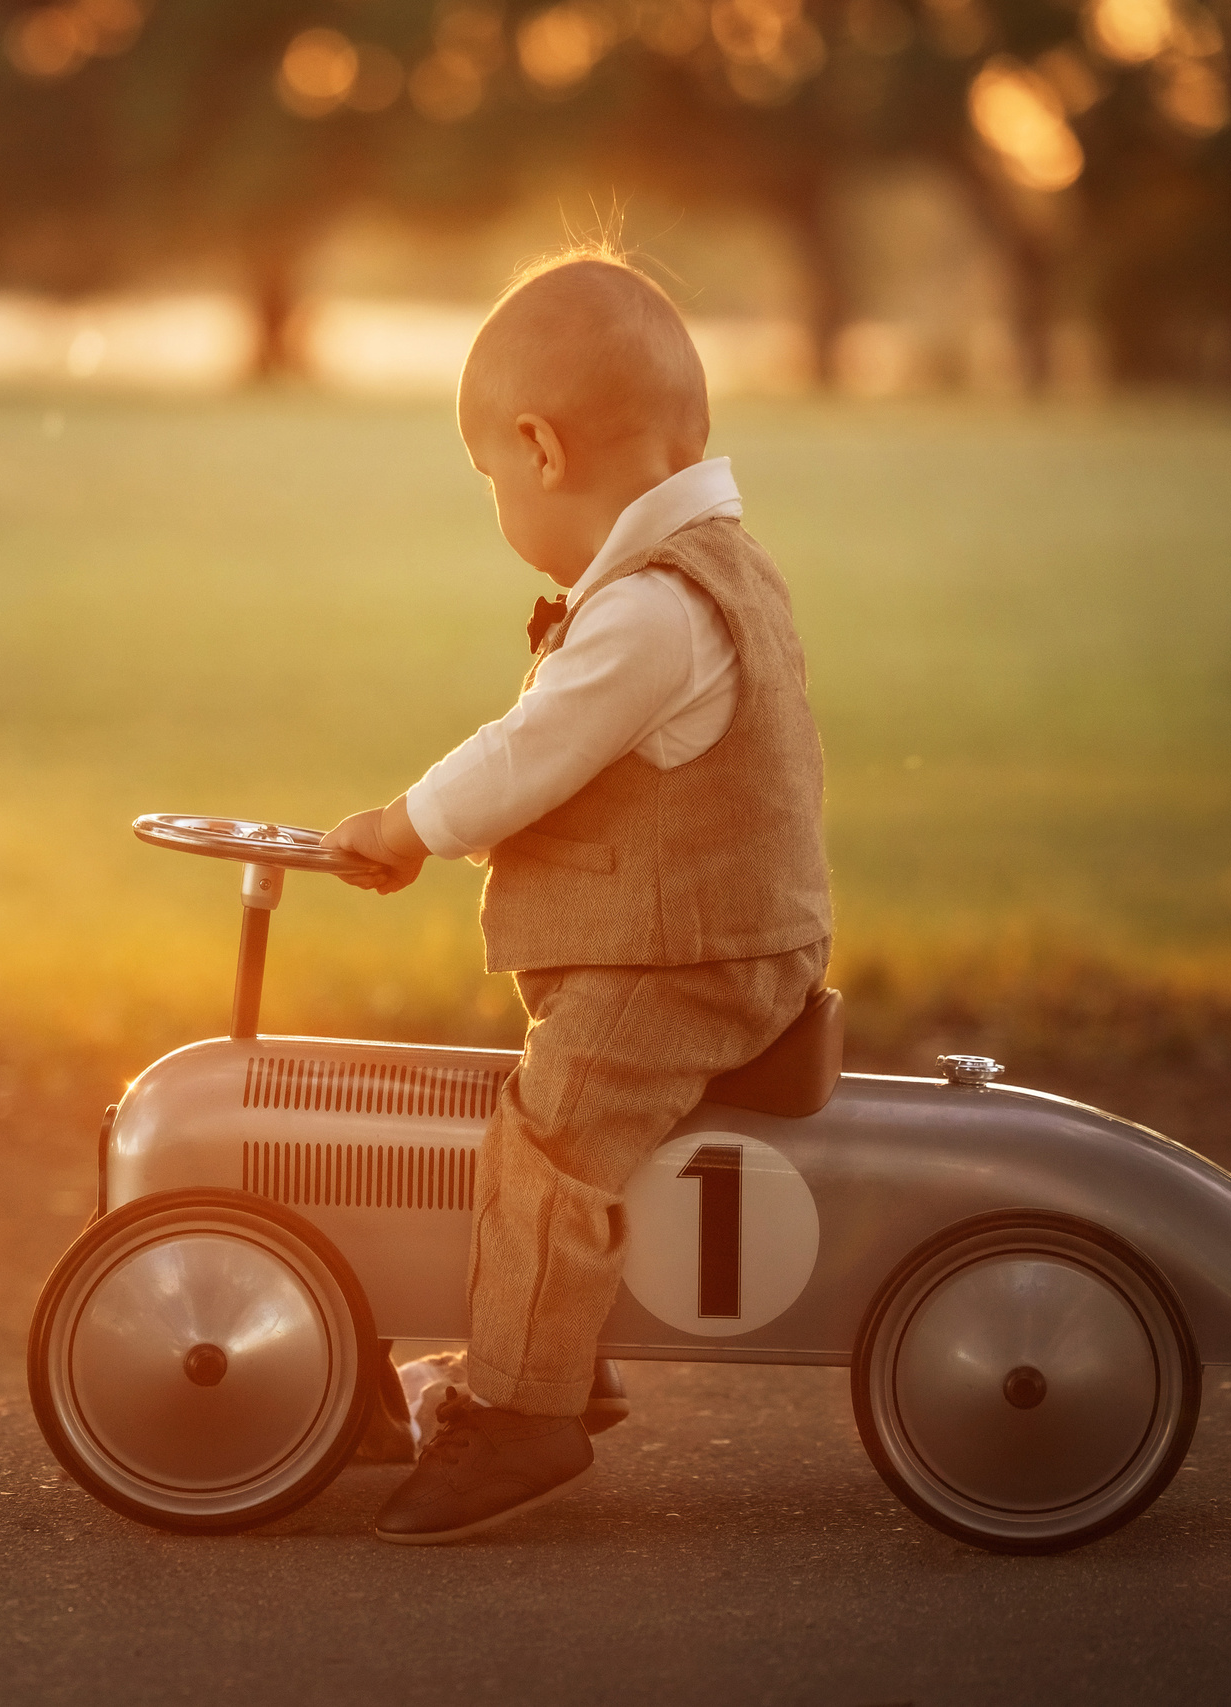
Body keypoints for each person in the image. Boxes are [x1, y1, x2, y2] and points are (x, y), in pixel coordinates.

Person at [321, 247, 833, 1545]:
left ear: (542, 451)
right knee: (553, 1110)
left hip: (690, 959)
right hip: (718, 938)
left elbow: (529, 752)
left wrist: (405, 827)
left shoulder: (652, 615)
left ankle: (520, 1415)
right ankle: (560, 1348)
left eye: (492, 478)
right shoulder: (722, 565)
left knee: (552, 1138)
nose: (499, 507)